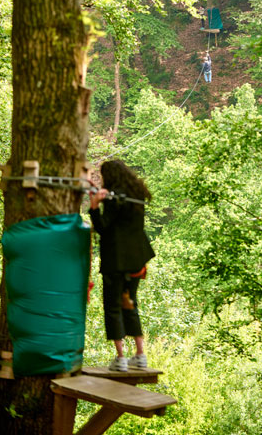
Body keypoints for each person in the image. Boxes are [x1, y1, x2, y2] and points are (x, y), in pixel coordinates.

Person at [89, 159, 155, 372]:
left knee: (113, 306)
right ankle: (140, 354)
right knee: (130, 303)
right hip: (137, 258)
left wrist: (94, 207)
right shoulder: (136, 194)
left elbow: (103, 227)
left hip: (116, 260)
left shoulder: (114, 197)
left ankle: (121, 358)